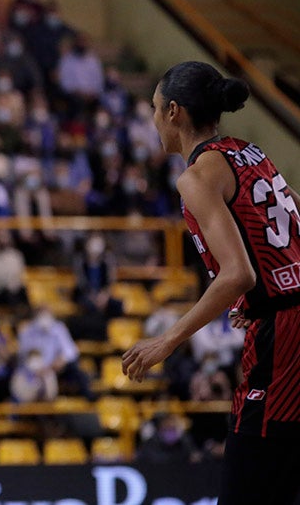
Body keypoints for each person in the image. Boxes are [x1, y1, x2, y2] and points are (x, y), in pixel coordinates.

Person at [122, 61, 300, 505]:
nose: (153, 119)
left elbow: (238, 272)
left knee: (248, 478)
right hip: (285, 314)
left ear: (174, 112)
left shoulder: (197, 175)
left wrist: (168, 340)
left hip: (286, 332)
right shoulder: (251, 151)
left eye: (155, 108)